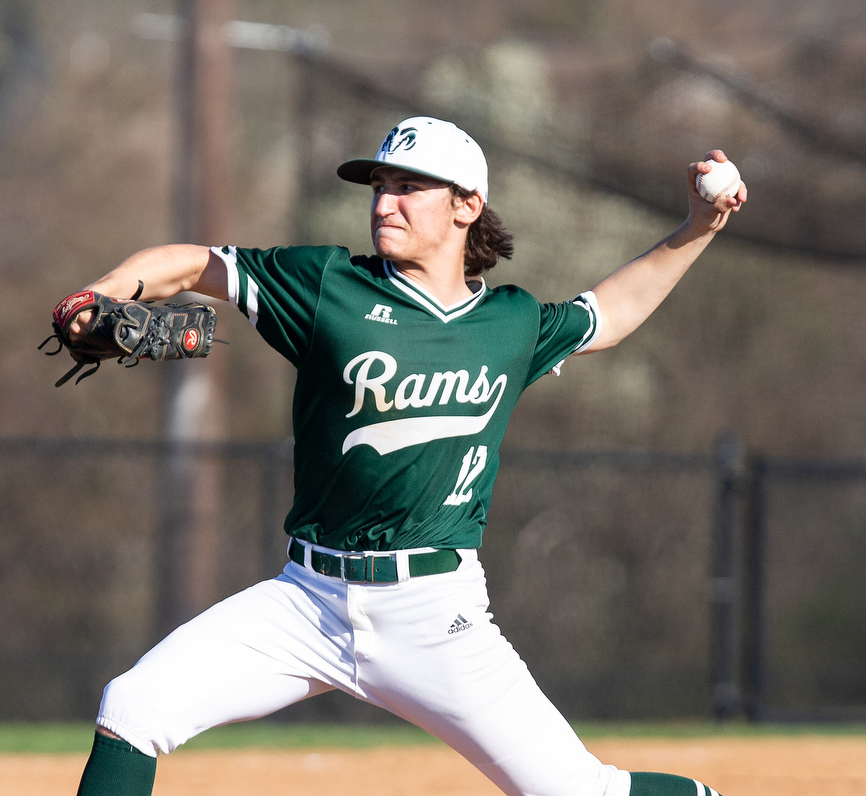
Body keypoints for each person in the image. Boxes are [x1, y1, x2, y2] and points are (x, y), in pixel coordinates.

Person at [68, 116, 745, 796]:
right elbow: (193, 264)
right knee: (133, 707)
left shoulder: (509, 324)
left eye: (409, 187)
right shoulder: (328, 286)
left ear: (466, 206)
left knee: (579, 792)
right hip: (308, 602)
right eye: (379, 185)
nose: (384, 202)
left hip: (434, 613)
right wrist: (101, 295)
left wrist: (699, 227)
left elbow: (610, 313)